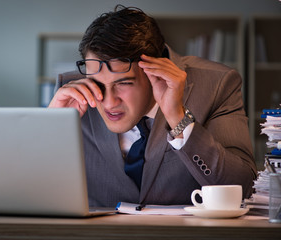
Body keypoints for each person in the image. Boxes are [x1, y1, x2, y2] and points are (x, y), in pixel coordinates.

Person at [49, 5, 257, 207]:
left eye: (123, 83)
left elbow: (243, 187)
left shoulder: (217, 85)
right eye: (98, 83)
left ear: (154, 71)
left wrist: (178, 119)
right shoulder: (71, 96)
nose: (109, 102)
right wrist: (50, 129)